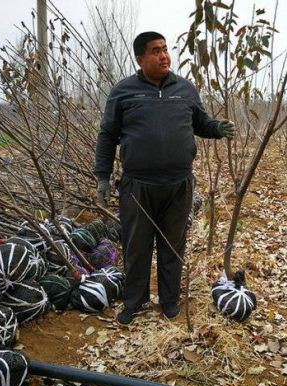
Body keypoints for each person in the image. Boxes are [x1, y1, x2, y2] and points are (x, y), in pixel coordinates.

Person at [95, 31, 235, 325]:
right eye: (156, 51)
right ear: (140, 59)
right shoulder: (123, 91)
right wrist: (103, 177)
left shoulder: (184, 89)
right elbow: (107, 134)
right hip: (137, 187)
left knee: (173, 246)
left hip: (178, 185)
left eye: (165, 49)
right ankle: (134, 301)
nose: (164, 56)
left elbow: (201, 122)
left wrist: (217, 128)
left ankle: (169, 300)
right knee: (136, 246)